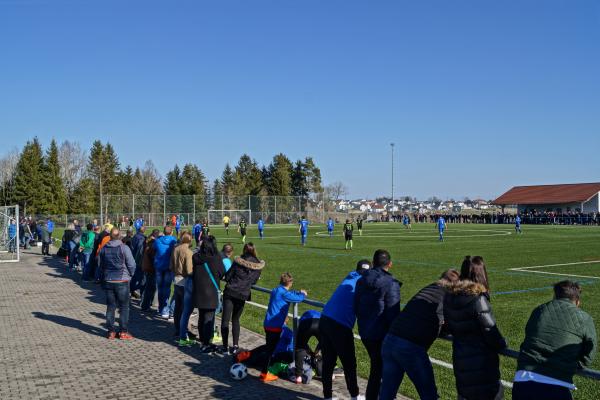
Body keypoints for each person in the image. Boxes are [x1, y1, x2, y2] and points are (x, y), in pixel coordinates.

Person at [379, 269, 460, 400]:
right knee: (429, 394)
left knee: (387, 392)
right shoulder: (448, 296)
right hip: (410, 347)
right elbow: (452, 323)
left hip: (390, 339)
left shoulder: (429, 288)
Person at [513, 280, 597, 400]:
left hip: (522, 382)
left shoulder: (539, 310)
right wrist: (575, 363)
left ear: (555, 296)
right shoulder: (584, 318)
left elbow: (529, 336)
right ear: (577, 301)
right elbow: (589, 353)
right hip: (556, 386)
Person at [444, 256, 507, 400]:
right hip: (482, 365)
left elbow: (449, 325)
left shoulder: (450, 296)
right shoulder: (478, 299)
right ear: (481, 274)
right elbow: (490, 331)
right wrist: (501, 343)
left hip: (461, 360)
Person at [320, 259, 371, 400]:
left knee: (328, 362)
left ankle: (327, 397)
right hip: (340, 325)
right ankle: (354, 396)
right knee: (349, 363)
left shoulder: (350, 276)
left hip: (325, 319)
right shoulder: (363, 283)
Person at [355, 249, 401, 400]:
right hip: (382, 334)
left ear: (373, 263)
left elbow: (356, 305)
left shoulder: (361, 279)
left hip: (365, 331)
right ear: (390, 264)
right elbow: (393, 312)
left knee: (377, 368)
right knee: (385, 369)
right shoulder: (390, 283)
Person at [219, 242, 265, 354]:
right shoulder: (258, 266)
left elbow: (228, 276)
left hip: (230, 291)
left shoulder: (237, 261)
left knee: (225, 319)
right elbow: (253, 281)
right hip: (243, 294)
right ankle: (235, 346)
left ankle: (225, 347)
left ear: (244, 250)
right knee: (236, 319)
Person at [261, 272, 307, 382]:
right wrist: (303, 294)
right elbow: (298, 299)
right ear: (290, 282)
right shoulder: (284, 294)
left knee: (269, 349)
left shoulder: (276, 289)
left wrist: (296, 292)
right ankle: (264, 374)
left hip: (268, 323)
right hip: (275, 326)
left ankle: (264, 372)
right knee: (270, 351)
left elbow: (289, 294)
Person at [98, 227, 136, 340]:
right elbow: (132, 264)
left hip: (109, 280)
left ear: (110, 236)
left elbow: (100, 264)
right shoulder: (124, 248)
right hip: (122, 280)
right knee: (124, 307)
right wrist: (131, 274)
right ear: (119, 236)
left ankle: (111, 331)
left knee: (111, 306)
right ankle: (123, 331)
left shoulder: (104, 248)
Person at [191, 235, 224, 352]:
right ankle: (206, 343)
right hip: (211, 292)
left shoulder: (196, 257)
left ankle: (203, 340)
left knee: (202, 316)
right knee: (208, 319)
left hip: (199, 291)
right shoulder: (216, 257)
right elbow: (222, 272)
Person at [170, 231, 194, 344]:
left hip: (176, 278)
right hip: (185, 280)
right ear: (189, 240)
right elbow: (189, 270)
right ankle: (184, 330)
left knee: (177, 306)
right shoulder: (189, 252)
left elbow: (171, 265)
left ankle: (177, 328)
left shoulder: (176, 249)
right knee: (185, 308)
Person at [153, 226, 177, 318]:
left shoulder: (158, 240)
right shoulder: (173, 241)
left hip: (159, 266)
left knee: (160, 288)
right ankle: (165, 310)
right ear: (171, 232)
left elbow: (154, 247)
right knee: (166, 288)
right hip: (168, 267)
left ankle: (161, 308)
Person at [294, 310, 321, 384]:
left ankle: (298, 376)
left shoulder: (302, 318)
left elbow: (302, 343)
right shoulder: (321, 315)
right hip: (320, 323)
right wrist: (317, 350)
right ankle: (328, 374)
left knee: (300, 348)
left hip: (306, 323)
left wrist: (308, 351)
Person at [140, 229, 160, 312]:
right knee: (150, 288)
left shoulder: (148, 242)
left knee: (148, 287)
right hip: (151, 268)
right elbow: (153, 258)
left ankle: (146, 304)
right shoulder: (152, 245)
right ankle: (145, 305)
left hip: (147, 267)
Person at [129, 226, 146, 296]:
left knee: (135, 275)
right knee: (140, 276)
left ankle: (132, 289)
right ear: (144, 231)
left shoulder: (135, 236)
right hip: (138, 259)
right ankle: (137, 290)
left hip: (133, 257)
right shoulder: (142, 238)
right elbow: (140, 250)